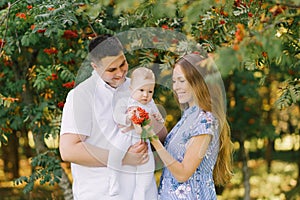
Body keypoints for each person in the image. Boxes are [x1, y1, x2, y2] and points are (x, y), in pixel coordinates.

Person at [59, 34, 153, 200]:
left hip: (144, 193)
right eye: (111, 70)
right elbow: (69, 151)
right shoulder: (82, 95)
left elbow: (160, 134)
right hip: (102, 194)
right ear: (95, 67)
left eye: (122, 64)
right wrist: (125, 158)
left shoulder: (137, 87)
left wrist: (145, 124)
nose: (120, 73)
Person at [140, 53, 233, 199]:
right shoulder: (189, 114)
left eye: (181, 81)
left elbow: (183, 174)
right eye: (174, 81)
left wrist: (153, 138)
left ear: (197, 80)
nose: (176, 87)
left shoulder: (206, 120)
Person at [109, 67, 165, 200]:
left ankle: (140, 192)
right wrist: (128, 118)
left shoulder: (150, 105)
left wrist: (157, 118)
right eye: (141, 90)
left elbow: (158, 121)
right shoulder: (125, 102)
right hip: (126, 136)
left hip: (142, 140)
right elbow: (117, 116)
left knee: (147, 168)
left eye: (150, 91)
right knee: (115, 154)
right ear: (131, 89)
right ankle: (113, 180)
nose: (146, 95)